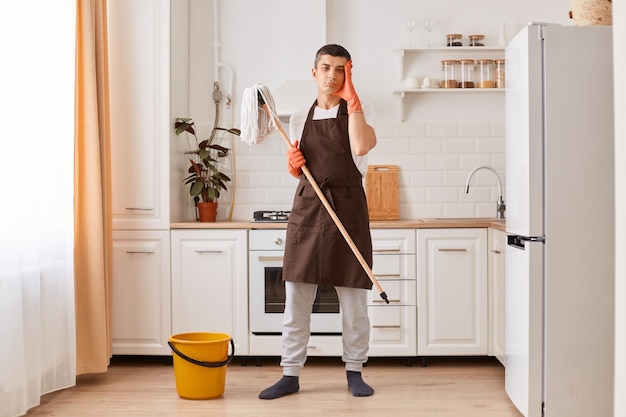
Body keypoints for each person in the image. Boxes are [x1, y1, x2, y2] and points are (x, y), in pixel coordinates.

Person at [258, 44, 377, 400]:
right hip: (309, 212)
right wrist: (293, 166)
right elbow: (304, 172)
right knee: (296, 300)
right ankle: (290, 374)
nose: (332, 75)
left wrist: (351, 96)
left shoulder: (360, 110)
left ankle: (355, 370)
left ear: (348, 74)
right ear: (314, 72)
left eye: (341, 70)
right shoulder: (299, 116)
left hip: (348, 211)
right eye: (326, 67)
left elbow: (360, 147)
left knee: (354, 301)